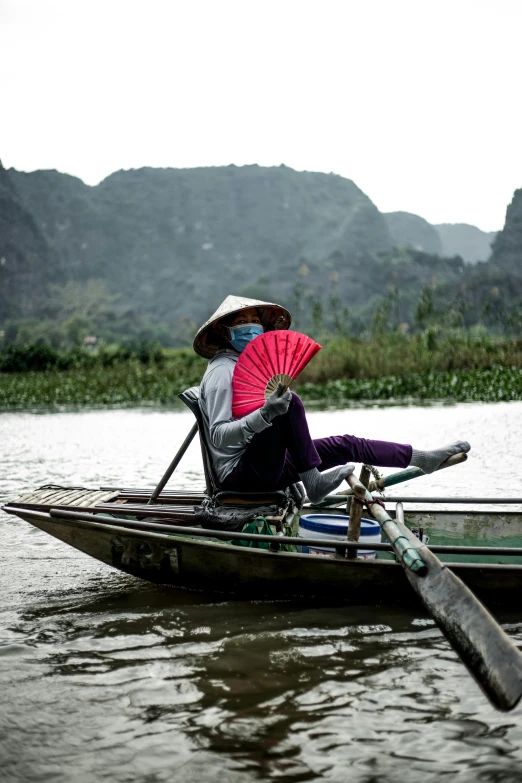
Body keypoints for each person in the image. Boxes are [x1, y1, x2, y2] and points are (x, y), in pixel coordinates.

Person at [193, 295, 470, 503]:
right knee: (290, 403)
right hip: (239, 476)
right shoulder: (222, 372)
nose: (250, 327)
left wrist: (286, 475)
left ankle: (422, 458)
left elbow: (274, 437)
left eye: (254, 321)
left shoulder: (249, 364)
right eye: (241, 323)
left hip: (262, 465)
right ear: (226, 332)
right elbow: (218, 436)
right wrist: (265, 414)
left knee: (345, 444)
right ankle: (312, 481)